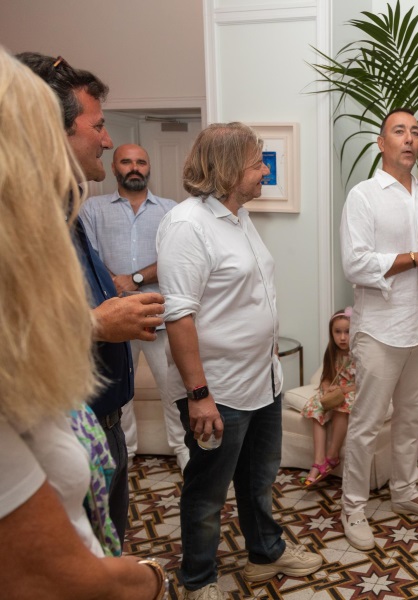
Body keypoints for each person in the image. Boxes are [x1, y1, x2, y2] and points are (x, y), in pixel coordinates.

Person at [0, 45, 172, 600]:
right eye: (97, 127)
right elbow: (47, 572)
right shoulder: (31, 226)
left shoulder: (62, 213)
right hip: (73, 424)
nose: (108, 141)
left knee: (109, 536)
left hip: (97, 423)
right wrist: (152, 580)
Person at [157, 122, 322, 598]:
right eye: (256, 164)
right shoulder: (187, 225)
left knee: (258, 479)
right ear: (228, 171)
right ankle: (198, 579)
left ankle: (265, 553)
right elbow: (179, 316)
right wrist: (199, 395)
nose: (263, 171)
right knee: (207, 492)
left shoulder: (238, 215)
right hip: (218, 391)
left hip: (262, 381)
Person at [340, 107, 418, 551]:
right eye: (399, 131)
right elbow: (355, 264)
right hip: (380, 330)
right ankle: (353, 507)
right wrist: (413, 258)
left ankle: (405, 492)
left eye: (415, 132)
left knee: (411, 419)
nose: (410, 139)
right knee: (367, 423)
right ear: (381, 143)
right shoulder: (364, 196)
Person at [81, 144, 186, 470]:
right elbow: (89, 257)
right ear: (114, 168)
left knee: (173, 389)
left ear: (149, 167)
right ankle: (123, 458)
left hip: (157, 314)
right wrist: (114, 282)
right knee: (118, 393)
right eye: (126, 161)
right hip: (112, 318)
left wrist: (134, 278)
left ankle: (185, 456)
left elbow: (174, 258)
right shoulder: (92, 209)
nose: (135, 167)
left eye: (141, 161)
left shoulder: (170, 209)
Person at [300, 308, 356, 486]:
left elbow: (364, 382)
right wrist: (326, 389)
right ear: (331, 333)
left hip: (352, 391)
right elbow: (326, 377)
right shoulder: (332, 352)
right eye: (337, 332)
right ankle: (318, 461)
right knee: (316, 407)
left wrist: (343, 390)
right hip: (336, 390)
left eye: (347, 332)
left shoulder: (359, 353)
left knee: (341, 405)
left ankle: (332, 455)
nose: (342, 337)